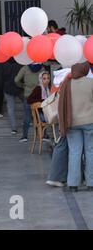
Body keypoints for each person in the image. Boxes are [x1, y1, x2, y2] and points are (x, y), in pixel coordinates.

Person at [58, 62, 93, 192]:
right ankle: (91, 183)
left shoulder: (67, 84)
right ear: (85, 70)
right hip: (90, 122)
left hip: (71, 123)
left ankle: (73, 183)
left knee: (74, 152)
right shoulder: (91, 82)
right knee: (90, 151)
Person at [14, 64, 46, 142]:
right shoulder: (42, 69)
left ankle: (24, 136)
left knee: (27, 116)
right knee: (41, 114)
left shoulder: (25, 68)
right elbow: (46, 80)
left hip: (28, 95)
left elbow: (16, 80)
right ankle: (44, 135)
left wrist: (23, 86)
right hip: (39, 95)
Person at [0, 58, 23, 135]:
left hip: (7, 87)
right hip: (19, 87)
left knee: (10, 108)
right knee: (27, 102)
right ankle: (29, 120)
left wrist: (2, 86)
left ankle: (14, 128)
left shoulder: (3, 63)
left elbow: (0, 76)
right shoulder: (20, 63)